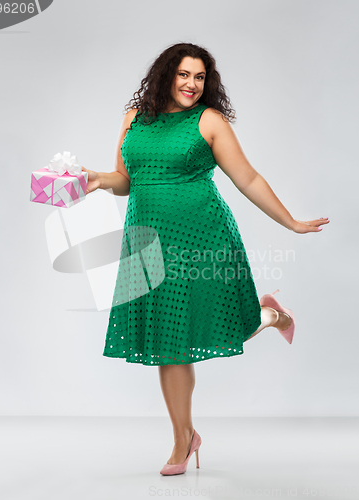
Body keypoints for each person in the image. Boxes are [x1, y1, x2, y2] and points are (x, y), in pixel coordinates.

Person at [81, 42, 330, 475]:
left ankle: (271, 316)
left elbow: (247, 177)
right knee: (168, 343)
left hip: (203, 237)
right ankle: (184, 438)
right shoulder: (134, 118)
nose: (192, 85)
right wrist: (101, 180)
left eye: (199, 77)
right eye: (183, 75)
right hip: (147, 241)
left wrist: (290, 222)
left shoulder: (209, 121)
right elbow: (127, 178)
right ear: (165, 75)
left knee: (227, 324)